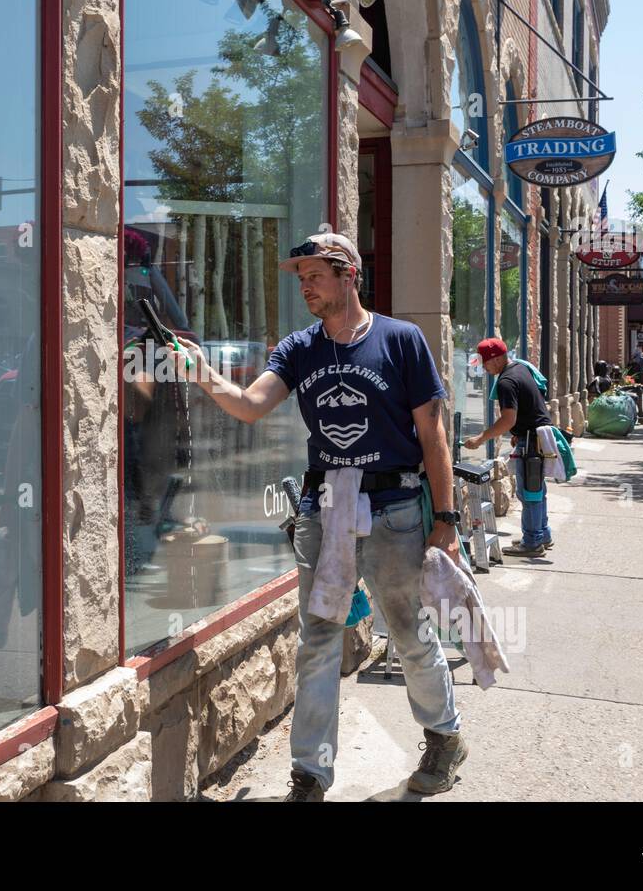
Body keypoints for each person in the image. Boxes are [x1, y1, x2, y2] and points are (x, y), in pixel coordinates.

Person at [175, 232, 468, 802]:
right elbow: (253, 406)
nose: (304, 285)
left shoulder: (401, 339)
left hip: (395, 508)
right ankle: (310, 775)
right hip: (325, 510)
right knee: (318, 642)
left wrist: (448, 517)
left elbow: (433, 433)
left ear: (348, 274)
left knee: (407, 633)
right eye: (301, 276)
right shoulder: (300, 348)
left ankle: (444, 737)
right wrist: (203, 373)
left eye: (314, 274)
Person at [463, 339, 552, 558]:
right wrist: (518, 433)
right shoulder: (520, 368)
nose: (484, 368)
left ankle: (532, 543)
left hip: (532, 442)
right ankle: (542, 534)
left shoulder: (506, 381)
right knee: (538, 490)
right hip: (536, 436)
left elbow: (508, 419)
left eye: (485, 363)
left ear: (497, 358)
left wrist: (481, 438)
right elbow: (528, 406)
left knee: (529, 493)